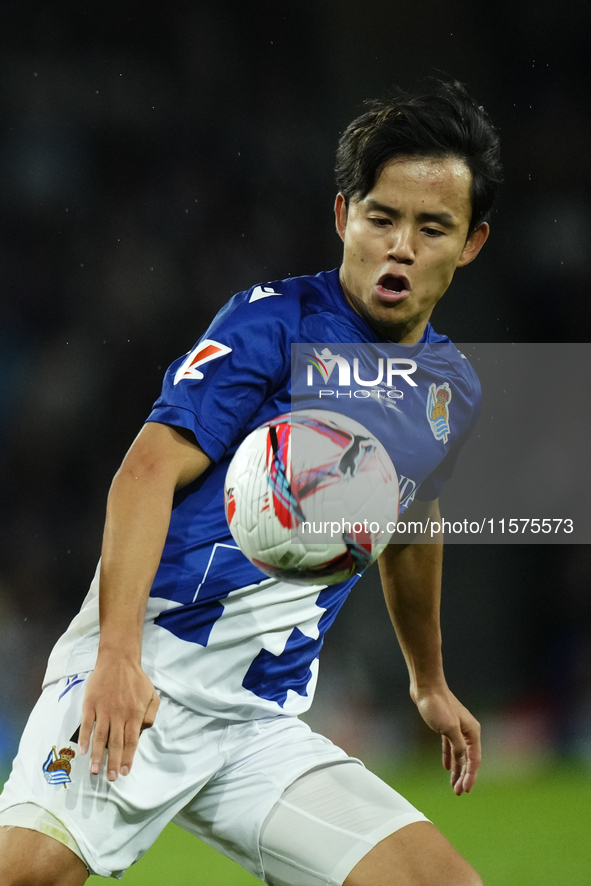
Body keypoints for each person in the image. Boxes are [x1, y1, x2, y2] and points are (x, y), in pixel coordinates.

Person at [0, 79, 501, 886]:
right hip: (148, 674)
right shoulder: (271, 322)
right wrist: (118, 659)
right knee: (23, 875)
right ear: (344, 217)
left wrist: (429, 681)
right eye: (381, 218)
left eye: (430, 227)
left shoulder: (452, 389)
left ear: (470, 243)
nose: (400, 246)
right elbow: (146, 471)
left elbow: (413, 525)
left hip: (261, 722)